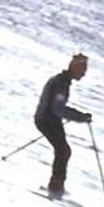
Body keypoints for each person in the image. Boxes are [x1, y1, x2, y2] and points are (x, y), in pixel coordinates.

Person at [33, 53, 92, 197]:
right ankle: (55, 187)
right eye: (82, 70)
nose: (83, 74)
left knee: (64, 151)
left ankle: (57, 185)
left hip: (50, 120)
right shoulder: (60, 83)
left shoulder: (62, 81)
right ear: (75, 68)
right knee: (63, 151)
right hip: (47, 120)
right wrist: (80, 117)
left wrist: (78, 116)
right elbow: (58, 108)